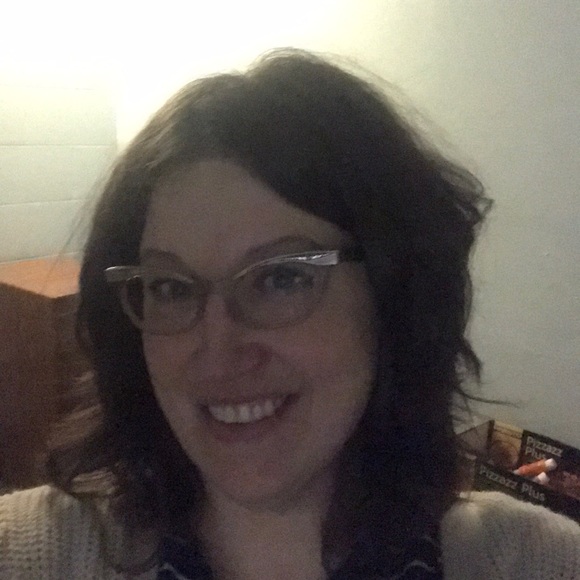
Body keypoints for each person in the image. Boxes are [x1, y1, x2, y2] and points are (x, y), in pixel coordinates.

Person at [1, 49, 579, 580]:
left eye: (281, 278)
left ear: (393, 294)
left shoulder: (540, 562)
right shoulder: (32, 552)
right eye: (172, 288)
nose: (219, 350)